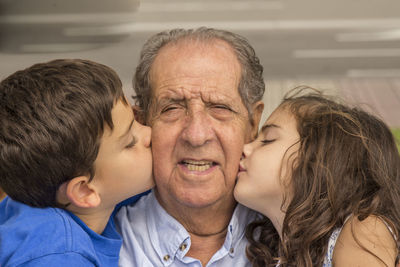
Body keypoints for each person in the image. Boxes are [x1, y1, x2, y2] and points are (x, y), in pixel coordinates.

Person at [115, 27, 265, 266]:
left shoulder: (300, 240)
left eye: (220, 108)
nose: (196, 135)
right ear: (142, 123)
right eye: (172, 108)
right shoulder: (92, 246)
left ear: (253, 123)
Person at [0, 59, 154, 266]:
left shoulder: (36, 193)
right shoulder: (58, 254)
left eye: (136, 120)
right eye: (130, 142)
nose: (149, 133)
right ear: (84, 191)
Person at [234, 87, 400, 267]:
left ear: (316, 162)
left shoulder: (363, 227)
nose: (245, 148)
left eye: (268, 140)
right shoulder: (278, 255)